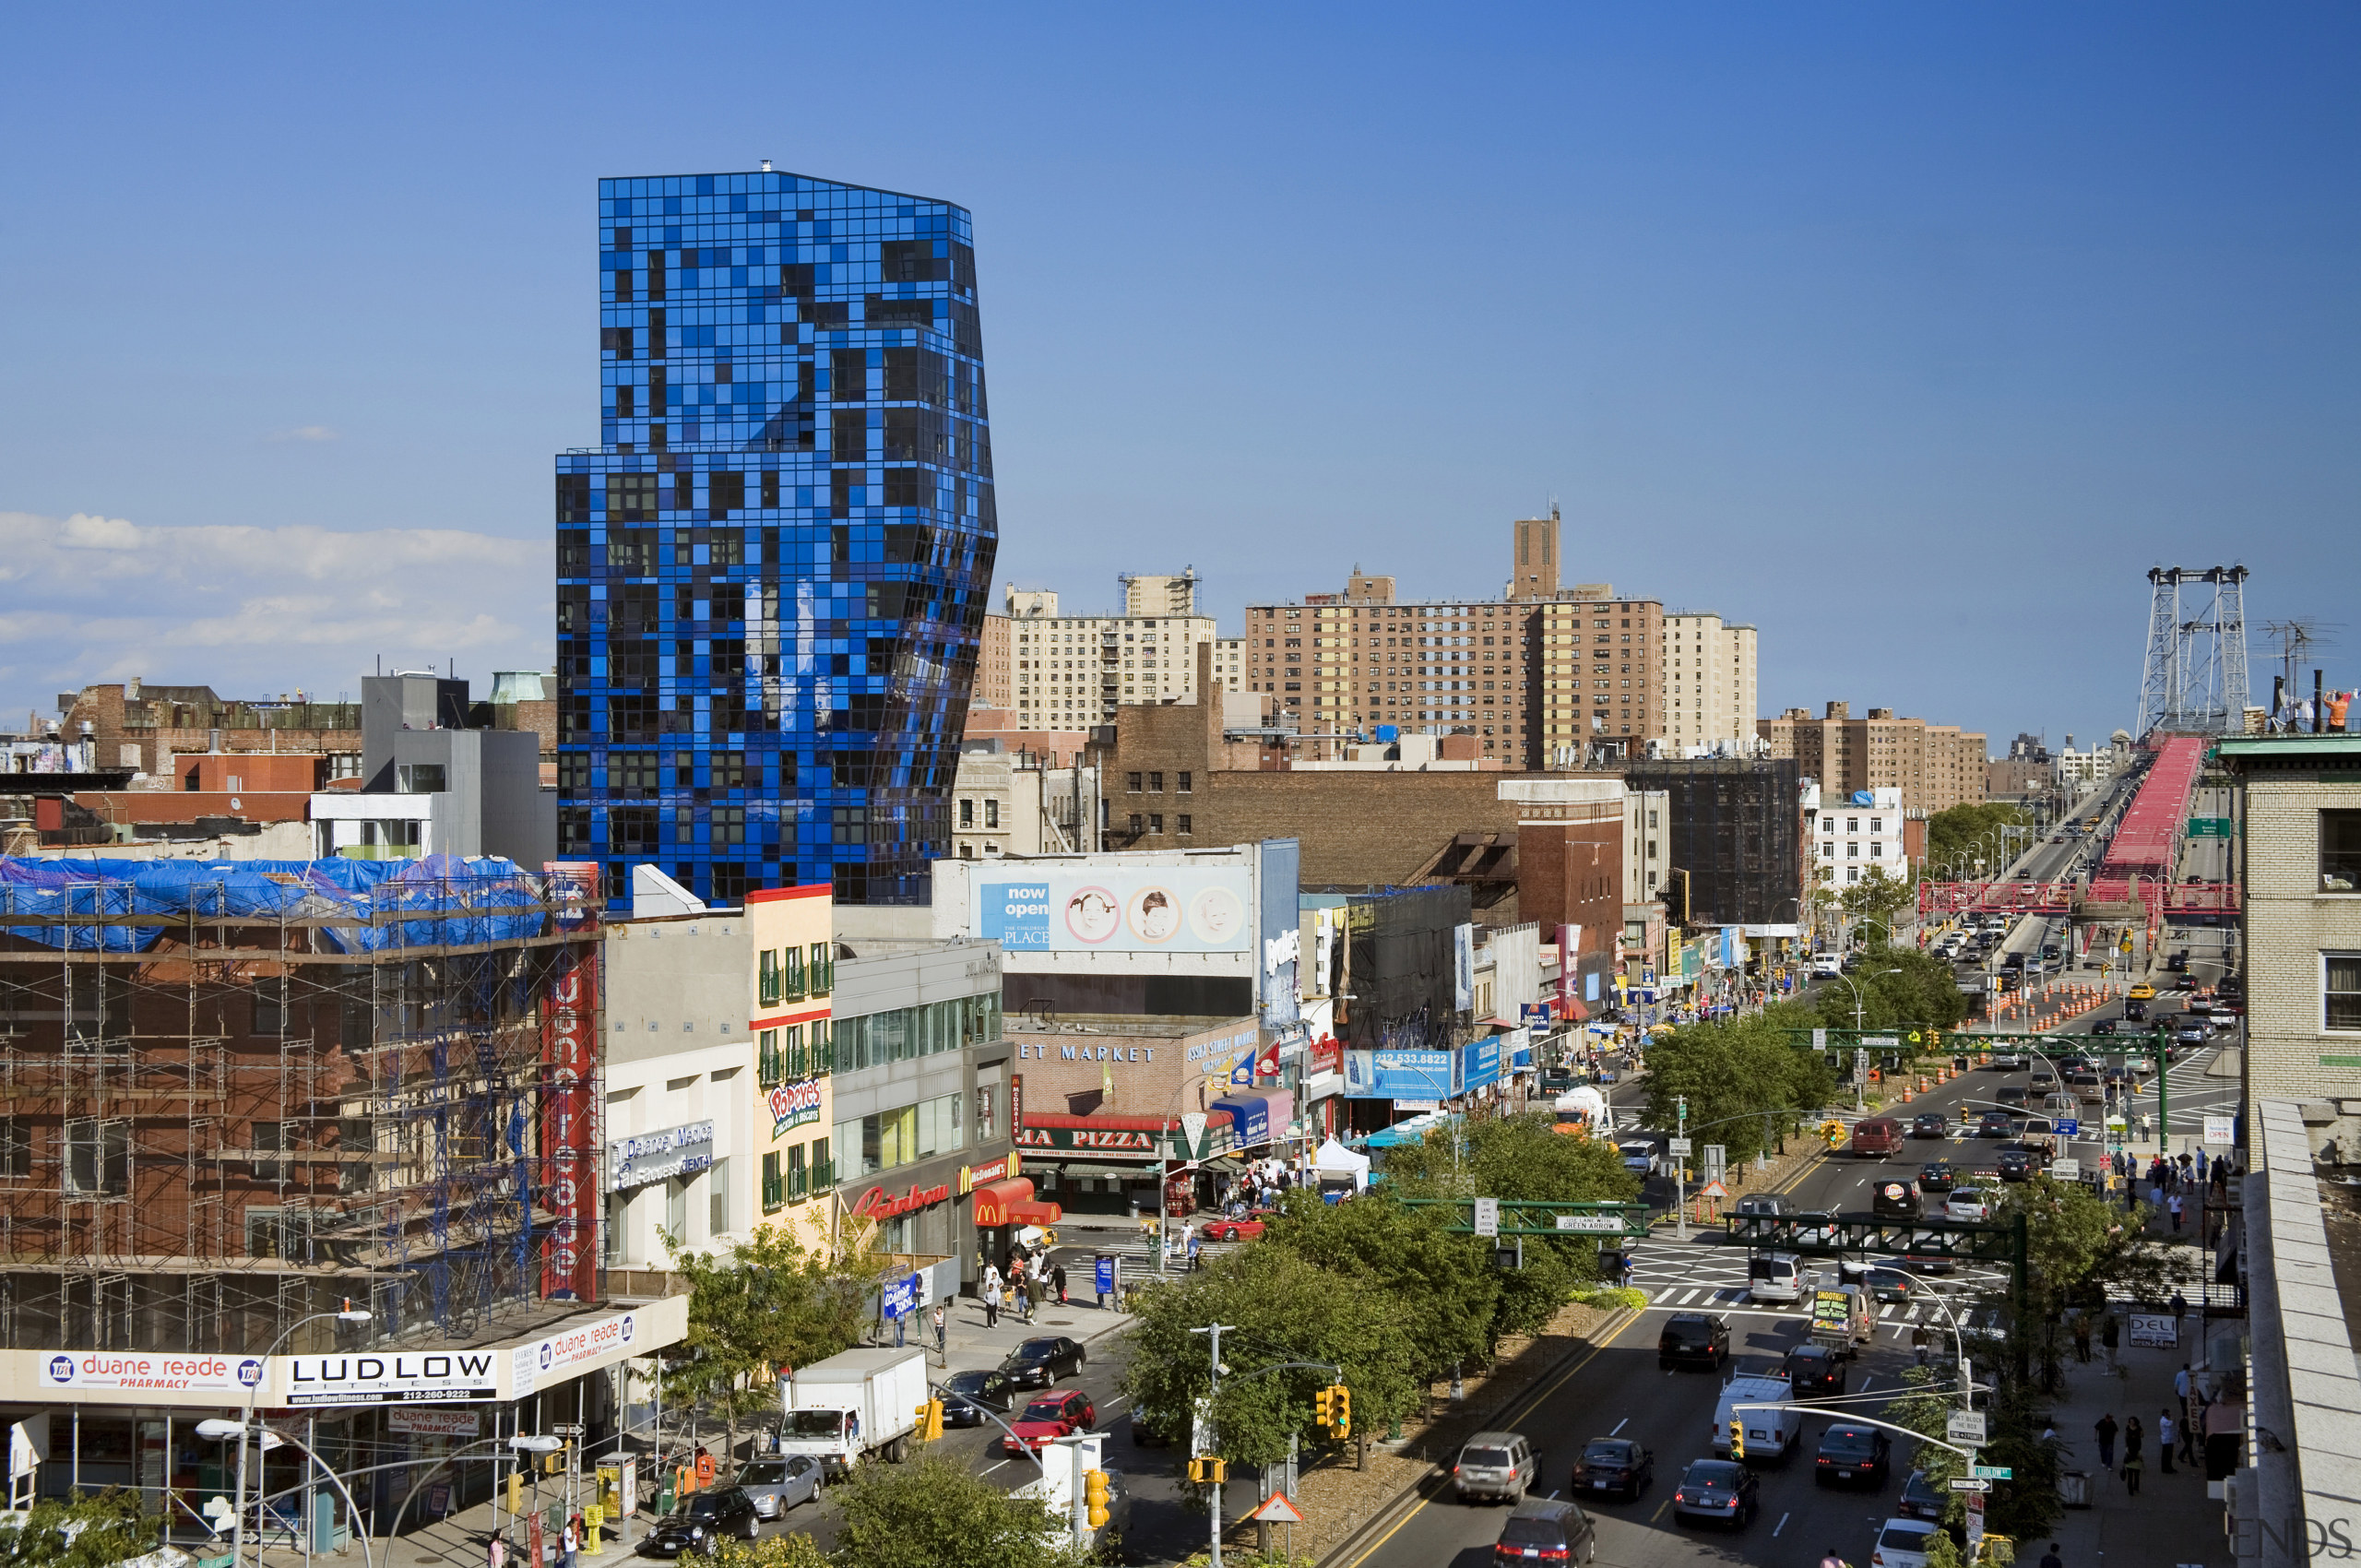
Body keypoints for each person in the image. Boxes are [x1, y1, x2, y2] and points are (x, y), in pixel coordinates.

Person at [2157, 1408, 2177, 1473]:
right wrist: (2172, 1419)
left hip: (2169, 1439)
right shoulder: (2163, 1420)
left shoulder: (2165, 1420)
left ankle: (2169, 1467)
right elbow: (2169, 1424)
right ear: (2165, 1414)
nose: (2170, 1415)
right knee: (2166, 1455)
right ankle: (2166, 1468)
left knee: (2169, 1455)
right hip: (2166, 1440)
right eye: (2169, 1413)